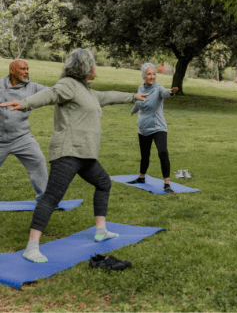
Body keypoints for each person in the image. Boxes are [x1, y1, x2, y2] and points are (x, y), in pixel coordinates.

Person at [0, 48, 148, 262]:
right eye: (93, 64)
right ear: (84, 67)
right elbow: (51, 94)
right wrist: (24, 103)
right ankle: (31, 247)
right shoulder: (68, 85)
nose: (95, 68)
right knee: (51, 197)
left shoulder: (86, 90)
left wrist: (134, 96)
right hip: (68, 152)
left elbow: (107, 96)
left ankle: (100, 230)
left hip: (85, 155)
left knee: (104, 183)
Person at [0, 59, 49, 201]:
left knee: (38, 161)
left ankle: (44, 200)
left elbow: (52, 93)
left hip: (22, 138)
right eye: (22, 69)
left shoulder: (32, 87)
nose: (26, 71)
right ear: (12, 71)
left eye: (27, 68)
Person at [129, 63, 178, 193]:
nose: (152, 76)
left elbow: (165, 93)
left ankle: (167, 184)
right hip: (143, 127)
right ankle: (141, 178)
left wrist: (171, 92)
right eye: (149, 74)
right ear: (144, 76)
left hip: (158, 127)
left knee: (163, 152)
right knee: (145, 155)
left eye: (154, 74)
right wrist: (133, 110)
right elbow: (139, 102)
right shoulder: (141, 88)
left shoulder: (158, 89)